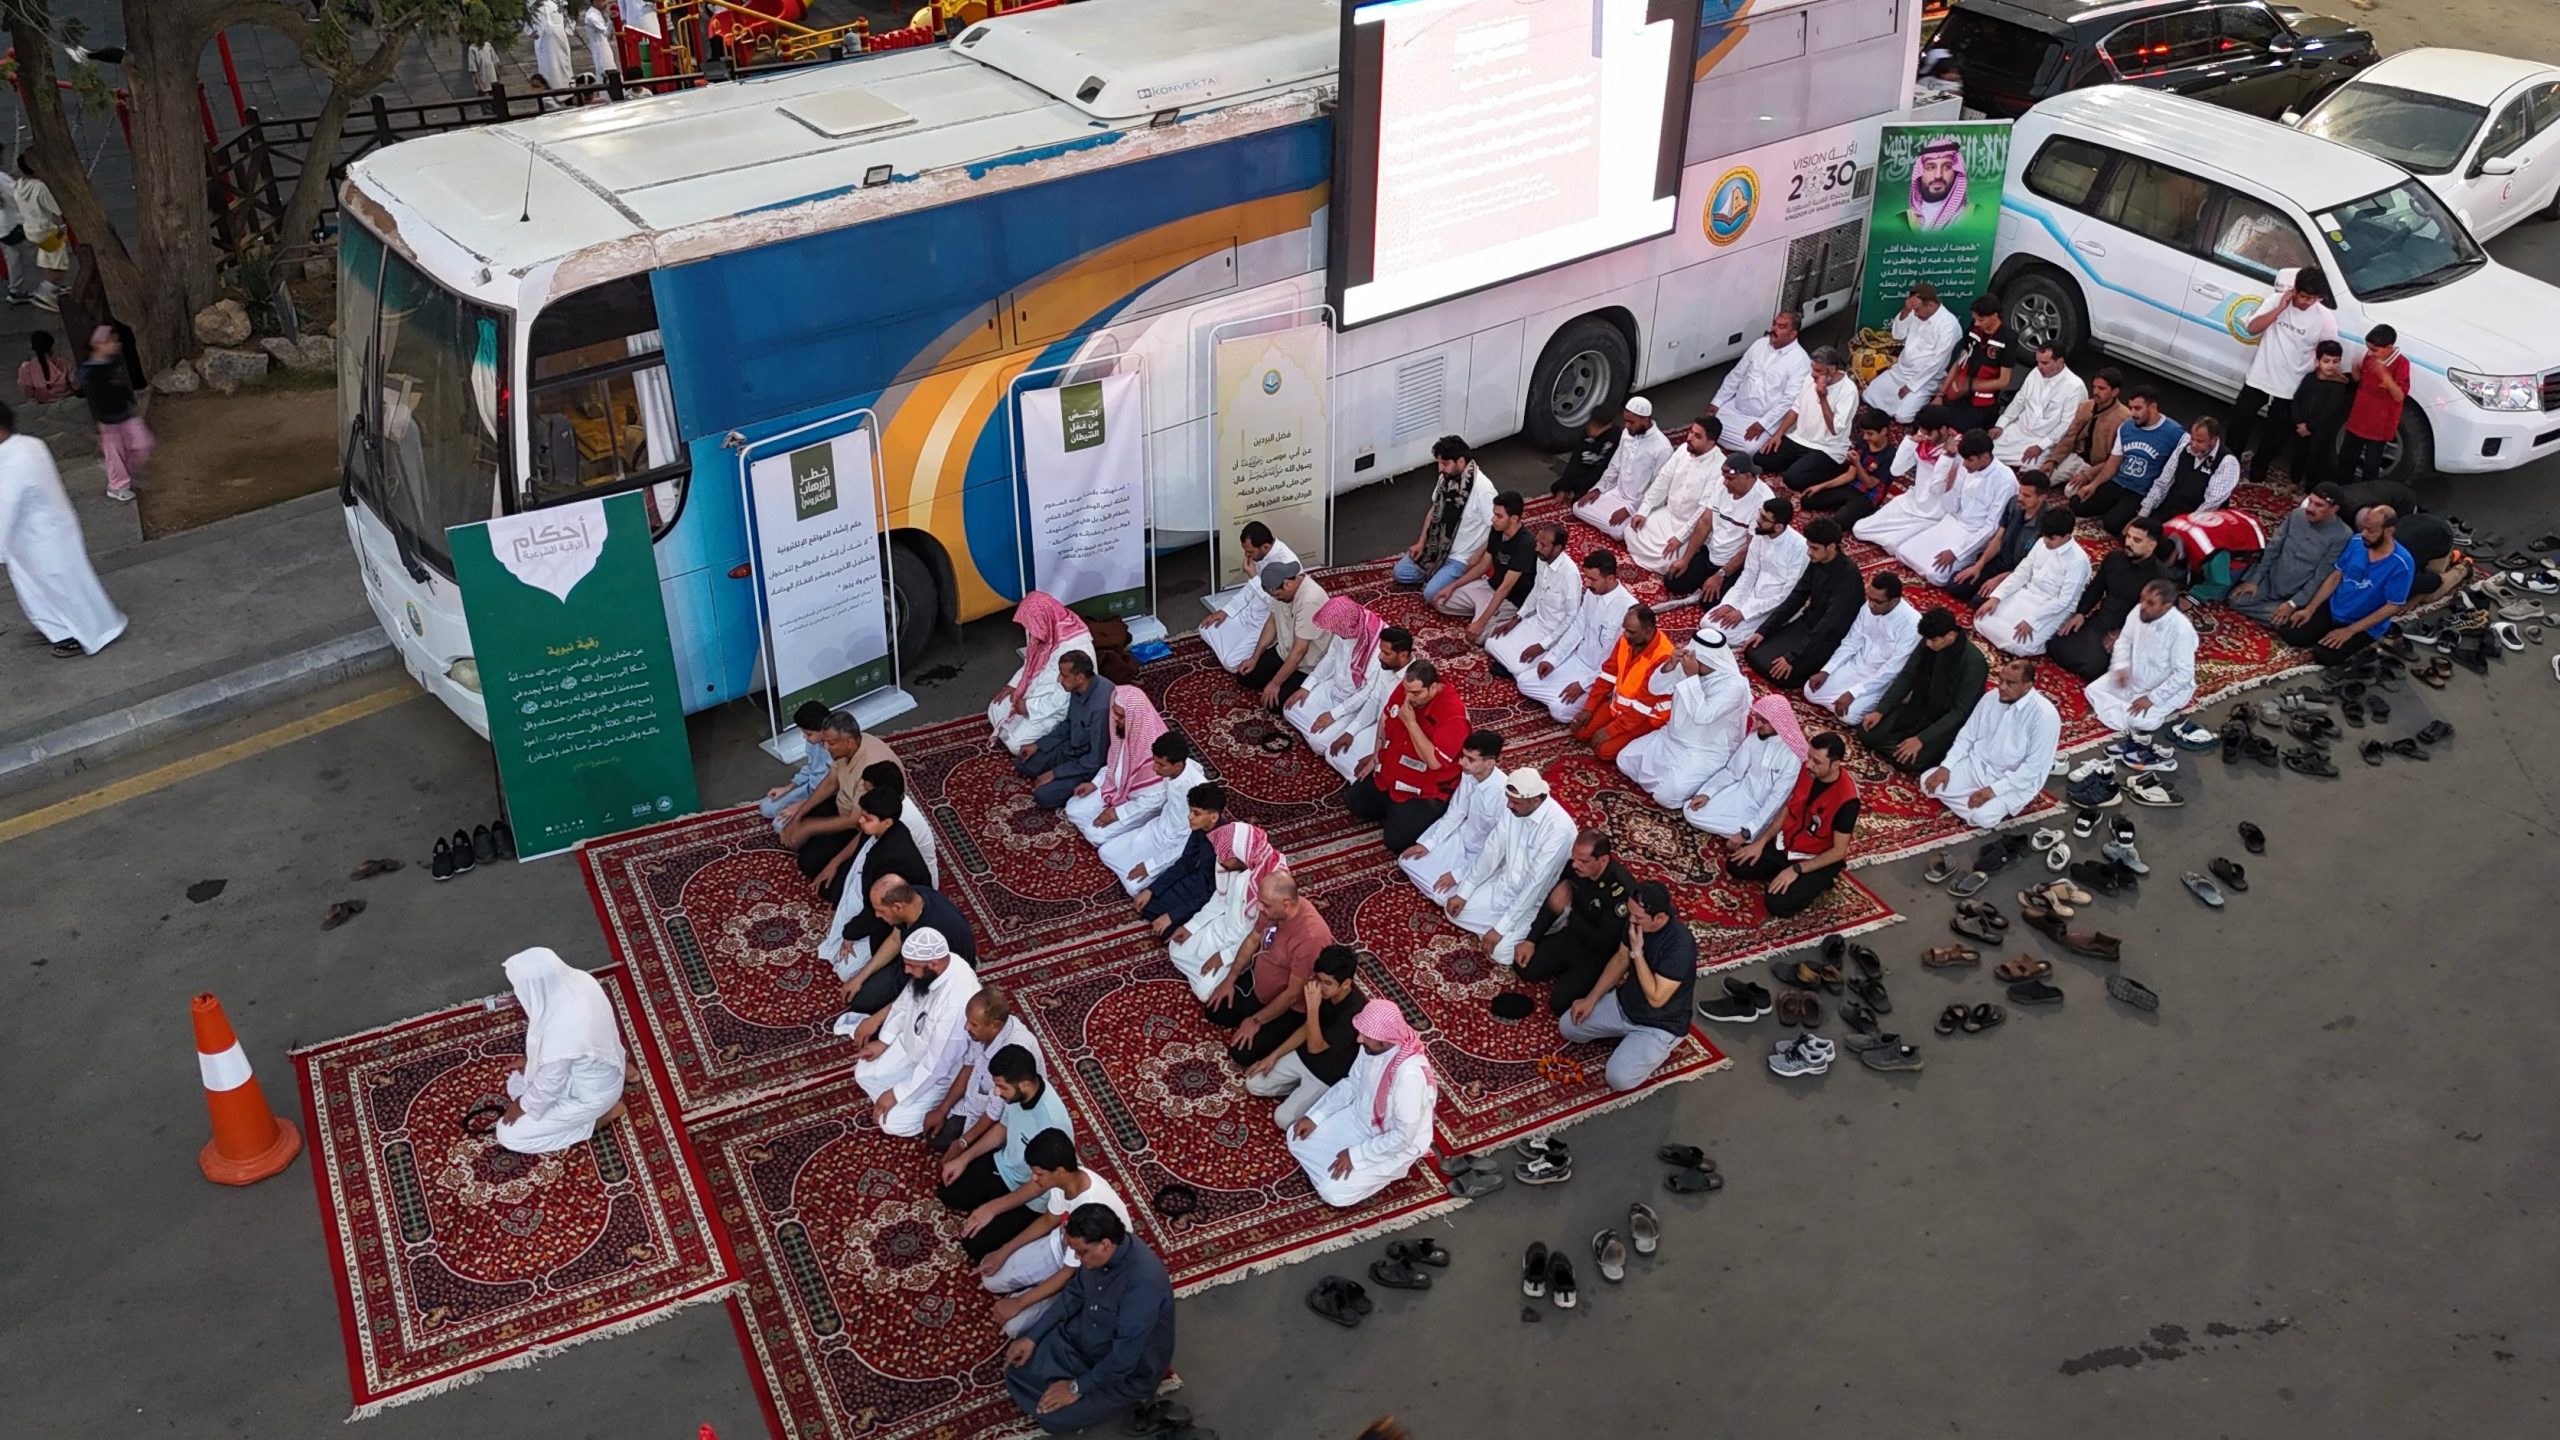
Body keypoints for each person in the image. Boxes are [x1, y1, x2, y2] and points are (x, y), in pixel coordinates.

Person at [1001, 1205, 1175, 1435]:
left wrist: (1075, 1388)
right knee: (1017, 1366)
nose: (1077, 1258)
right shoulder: (1098, 1257)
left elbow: (1123, 1359)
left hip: (1122, 1370)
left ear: (1105, 1245)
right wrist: (1033, 1337)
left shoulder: (1143, 1284)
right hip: (1083, 1338)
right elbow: (1074, 1294)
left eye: (1081, 1252)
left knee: (1053, 1419)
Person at [981, 1130, 1136, 1340]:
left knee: (1013, 1327)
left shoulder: (1090, 1208)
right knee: (990, 1279)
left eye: (1039, 1174)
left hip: (1085, 1269)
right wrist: (1004, 1251)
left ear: (1060, 1171)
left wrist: (1018, 1303)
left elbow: (1068, 1272)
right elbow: (1049, 1219)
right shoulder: (1065, 1182)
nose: (1034, 1179)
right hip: (1061, 1246)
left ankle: (1063, 1301)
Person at [0, 403, 126, 657]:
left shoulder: (12, 461)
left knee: (61, 589)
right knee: (42, 588)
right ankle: (60, 629)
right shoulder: (29, 444)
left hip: (40, 538)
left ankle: (88, 632)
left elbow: (5, 508)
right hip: (42, 532)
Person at [1287, 998, 1437, 1206]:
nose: (1359, 1039)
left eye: (1365, 1036)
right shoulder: (1372, 1048)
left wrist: (1356, 1155)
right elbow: (1352, 1084)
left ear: (1385, 1041)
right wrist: (1316, 1117)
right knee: (1295, 1136)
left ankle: (1366, 1177)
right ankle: (1331, 1171)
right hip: (1359, 1119)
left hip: (1391, 1142)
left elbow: (1403, 1136)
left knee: (1333, 1194)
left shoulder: (1408, 1077)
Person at [1555, 882, 1698, 1092]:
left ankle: (1664, 1044)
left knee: (1618, 1079)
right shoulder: (1635, 921)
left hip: (1660, 1023)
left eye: (1638, 917)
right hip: (1625, 1004)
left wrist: (1638, 952)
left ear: (1659, 918)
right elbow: (1621, 959)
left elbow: (1656, 998)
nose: (1631, 920)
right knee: (1568, 1026)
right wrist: (1591, 999)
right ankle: (1627, 1038)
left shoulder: (1680, 946)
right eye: (1631, 913)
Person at [939, 1044, 1074, 1263]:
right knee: (948, 1190)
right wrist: (964, 1158)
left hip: (1033, 1192)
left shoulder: (1051, 1122)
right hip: (1004, 1167)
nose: (996, 1092)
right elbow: (1002, 1129)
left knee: (975, 1246)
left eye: (1001, 1087)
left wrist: (993, 1208)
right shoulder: (1018, 1095)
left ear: (1024, 1084)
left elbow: (1042, 1183)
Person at [491, 947, 628, 1154]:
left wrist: (521, 1106)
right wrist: (530, 1060)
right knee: (516, 1082)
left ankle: (601, 1118)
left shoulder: (561, 1033)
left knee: (508, 1134)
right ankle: (627, 1073)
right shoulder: (581, 980)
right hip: (598, 1069)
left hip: (589, 1096)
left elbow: (549, 1085)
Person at [848, 927, 982, 1135]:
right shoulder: (932, 970)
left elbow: (937, 1066)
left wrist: (896, 1094)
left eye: (911, 966)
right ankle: (900, 1092)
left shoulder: (956, 1003)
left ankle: (946, 1103)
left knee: (891, 1123)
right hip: (913, 1045)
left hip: (941, 1072)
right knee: (864, 1073)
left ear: (934, 964)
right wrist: (884, 1042)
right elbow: (904, 1003)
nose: (906, 971)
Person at [1206, 870, 1336, 1065]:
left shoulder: (1310, 937)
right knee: (1215, 1011)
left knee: (1242, 1053)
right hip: (1260, 986)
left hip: (1289, 1006)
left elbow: (1294, 993)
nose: (1259, 907)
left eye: (1265, 904)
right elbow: (1253, 939)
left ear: (1286, 904)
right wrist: (1230, 979)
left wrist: (1256, 1020)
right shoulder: (1274, 911)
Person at [1726, 731, 1860, 918]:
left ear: (1835, 764)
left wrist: (1797, 869)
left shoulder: (1847, 800)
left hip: (1814, 856)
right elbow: (1788, 809)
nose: (1809, 764)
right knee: (1735, 864)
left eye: (1817, 762)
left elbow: (1838, 852)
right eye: (1809, 757)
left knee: (1777, 905)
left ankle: (1819, 879)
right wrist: (1761, 842)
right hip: (1788, 845)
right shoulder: (1807, 772)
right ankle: (1781, 870)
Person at [1446, 768, 1578, 958]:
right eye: (1508, 799)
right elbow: (1492, 850)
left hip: (1535, 902)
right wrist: (1465, 891)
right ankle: (1497, 929)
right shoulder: (1514, 810)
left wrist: (1501, 928)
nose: (1508, 805)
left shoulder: (1559, 829)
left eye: (1515, 802)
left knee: (1500, 952)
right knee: (1454, 910)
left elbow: (1537, 883)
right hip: (1505, 885)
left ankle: (1546, 929)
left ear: (1535, 801)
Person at [1342, 659, 1469, 852]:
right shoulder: (1407, 691)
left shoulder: (1453, 715)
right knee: (1355, 802)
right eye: (1406, 691)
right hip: (1390, 773)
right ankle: (1395, 812)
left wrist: (1411, 723)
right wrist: (1376, 756)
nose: (1409, 698)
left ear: (1433, 687)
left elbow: (1434, 761)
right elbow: (1386, 718)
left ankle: (1430, 816)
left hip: (1423, 790)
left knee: (1396, 842)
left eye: (1416, 693)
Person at [1922, 658, 2061, 828]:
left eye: (2010, 683)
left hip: (2011, 782)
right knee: (1927, 782)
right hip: (1976, 766)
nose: (2001, 687)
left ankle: (1972, 804)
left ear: (2028, 686)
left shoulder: (2044, 716)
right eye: (2000, 679)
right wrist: (1946, 767)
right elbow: (1967, 735)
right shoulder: (1991, 697)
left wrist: (1993, 790)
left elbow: (2032, 768)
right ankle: (1968, 804)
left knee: (1982, 818)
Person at [1616, 633, 1750, 808]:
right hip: (1670, 738)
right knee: (1624, 760)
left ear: (1710, 661)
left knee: (1665, 797)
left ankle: (1705, 784)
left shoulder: (1734, 686)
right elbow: (1655, 688)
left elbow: (1702, 715)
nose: (1689, 660)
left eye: (1696, 659)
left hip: (1704, 751)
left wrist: (1691, 678)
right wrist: (1671, 665)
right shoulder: (1690, 667)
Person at [2228, 268, 2338, 480]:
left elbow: (2328, 351)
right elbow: (2252, 329)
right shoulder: (2276, 301)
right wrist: (2280, 309)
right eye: (2304, 296)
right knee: (2241, 419)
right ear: (2294, 289)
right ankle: (2231, 461)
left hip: (2292, 385)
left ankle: (2260, 467)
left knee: (2276, 433)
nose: (2307, 302)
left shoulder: (2325, 318)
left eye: (2313, 298)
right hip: (2260, 375)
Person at [1868, 429, 2014, 585]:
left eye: (1970, 460)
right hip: (1953, 521)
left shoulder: (2005, 480)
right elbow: (1951, 506)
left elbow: (1991, 527)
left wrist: (1956, 552)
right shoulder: (1967, 466)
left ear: (1984, 457)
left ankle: (1968, 559)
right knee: (1903, 551)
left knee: (1935, 574)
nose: (1965, 464)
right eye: (1964, 459)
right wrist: (1949, 485)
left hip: (1975, 534)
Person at [1241, 945, 1366, 1127]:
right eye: (1319, 980)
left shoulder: (1355, 1014)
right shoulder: (1326, 994)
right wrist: (1273, 1056)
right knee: (1254, 1083)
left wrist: (1313, 1006)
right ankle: (1297, 1090)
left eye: (1328, 983)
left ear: (1346, 984)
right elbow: (1307, 1028)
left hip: (1326, 1073)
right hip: (1305, 1056)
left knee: (1283, 1119)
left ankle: (1317, 1097)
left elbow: (1316, 1048)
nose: (1320, 987)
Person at [784, 711, 906, 894]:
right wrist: (798, 816)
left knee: (810, 863)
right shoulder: (845, 749)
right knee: (793, 829)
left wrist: (809, 827)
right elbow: (831, 783)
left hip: (860, 823)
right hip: (843, 804)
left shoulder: (870, 770)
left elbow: (855, 820)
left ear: (849, 742)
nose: (826, 747)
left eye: (831, 743)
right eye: (825, 741)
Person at [1512, 831, 1636, 1012]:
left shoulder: (1620, 890)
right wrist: (1531, 940)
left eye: (1583, 861)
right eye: (1574, 858)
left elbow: (1605, 942)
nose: (1576, 865)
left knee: (1560, 1004)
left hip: (1597, 953)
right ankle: (1565, 971)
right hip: (1573, 935)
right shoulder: (1574, 868)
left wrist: (1570, 915)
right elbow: (1554, 904)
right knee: (1524, 966)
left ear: (1602, 860)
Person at [1166, 821, 1286, 1001]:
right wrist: (1192, 926)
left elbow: (1260, 935)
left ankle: (1225, 976)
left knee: (1204, 991)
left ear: (1241, 854)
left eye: (1225, 857)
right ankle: (1201, 972)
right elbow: (1220, 899)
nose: (1220, 860)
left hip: (1243, 943)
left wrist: (1224, 956)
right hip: (1222, 926)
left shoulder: (1272, 882)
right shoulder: (1231, 862)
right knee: (1176, 948)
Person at [2276, 504, 2412, 661]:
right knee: (2291, 634)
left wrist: (2350, 631)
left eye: (2370, 531)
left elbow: (2392, 606)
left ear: (2388, 531)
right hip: (2335, 609)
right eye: (2363, 528)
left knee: (2324, 656)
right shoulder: (2357, 542)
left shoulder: (2402, 564)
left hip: (2362, 622)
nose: (2364, 534)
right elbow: (2336, 576)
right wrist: (2311, 608)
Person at [1857, 607, 1986, 772]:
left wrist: (1921, 739)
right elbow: (1907, 676)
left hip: (1943, 722)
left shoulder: (1974, 664)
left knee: (1908, 761)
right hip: (1918, 708)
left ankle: (1908, 747)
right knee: (1867, 734)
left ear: (1950, 636)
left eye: (1933, 640)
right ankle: (1897, 744)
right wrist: (1881, 710)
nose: (1928, 644)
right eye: (1927, 639)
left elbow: (1959, 712)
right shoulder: (1928, 642)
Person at [1741, 517, 1861, 688]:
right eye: (1808, 546)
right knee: (1753, 651)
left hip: (1829, 637)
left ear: (1831, 547)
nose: (1809, 552)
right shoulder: (1817, 561)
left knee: (1781, 675)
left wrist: (1793, 657)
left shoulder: (1848, 576)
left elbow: (1829, 623)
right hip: (1807, 624)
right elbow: (1796, 597)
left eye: (1814, 548)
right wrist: (1764, 630)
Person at [1519, 551, 1637, 724]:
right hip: (1577, 661)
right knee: (1524, 681)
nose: (1587, 583)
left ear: (1610, 579)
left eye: (1593, 579)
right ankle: (1557, 694)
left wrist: (1584, 685)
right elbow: (1577, 629)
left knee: (1559, 710)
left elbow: (1619, 661)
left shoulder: (1629, 610)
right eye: (1586, 577)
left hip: (1599, 676)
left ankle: (1598, 701)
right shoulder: (1592, 593)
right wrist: (1553, 659)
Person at [2046, 517, 2170, 680]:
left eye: (2137, 540)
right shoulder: (2115, 558)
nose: (2129, 543)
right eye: (2128, 536)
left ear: (2151, 545)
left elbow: (2155, 622)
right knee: (2056, 645)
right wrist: (2081, 613)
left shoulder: (2160, 578)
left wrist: (2123, 635)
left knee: (2092, 668)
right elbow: (2096, 587)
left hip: (2128, 632)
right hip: (2102, 619)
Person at [2086, 580, 2199, 754]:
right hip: (2135, 674)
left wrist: (2152, 698)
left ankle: (2146, 711)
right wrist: (2121, 668)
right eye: (2142, 599)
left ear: (2166, 606)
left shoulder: (2181, 631)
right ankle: (2121, 706)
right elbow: (2124, 641)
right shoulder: (2138, 611)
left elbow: (2183, 674)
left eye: (2151, 603)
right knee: (2092, 690)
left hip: (2162, 687)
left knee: (2139, 721)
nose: (2143, 606)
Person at [1396, 729, 1508, 901]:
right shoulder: (1469, 775)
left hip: (1482, 854)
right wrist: (1429, 844)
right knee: (1407, 861)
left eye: (1470, 759)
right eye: (1463, 756)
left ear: (1490, 763)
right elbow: (1455, 812)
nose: (1462, 762)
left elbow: (1496, 848)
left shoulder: (1504, 795)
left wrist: (1457, 875)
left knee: (1444, 896)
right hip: (1460, 839)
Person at [928, 985, 1039, 1157]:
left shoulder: (1011, 1054)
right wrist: (942, 1109)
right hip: (976, 1100)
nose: (966, 1027)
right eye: (968, 1020)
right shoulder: (983, 1032)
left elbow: (997, 1110)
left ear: (995, 1025)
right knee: (934, 1137)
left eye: (973, 1024)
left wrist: (963, 1142)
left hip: (1001, 1115)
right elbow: (969, 1066)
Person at [827, 856, 949, 1012]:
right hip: (915, 965)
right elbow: (895, 940)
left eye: (880, 911)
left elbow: (929, 987)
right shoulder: (913, 899)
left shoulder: (935, 932)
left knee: (865, 1003)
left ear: (897, 907)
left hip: (934, 979)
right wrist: (860, 978)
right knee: (861, 991)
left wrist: (876, 1019)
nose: (877, 916)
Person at [2065, 385, 2184, 538]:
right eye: (2131, 408)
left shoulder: (2176, 434)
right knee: (2077, 504)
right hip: (2118, 482)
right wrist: (2093, 485)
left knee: (2112, 524)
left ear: (2153, 407)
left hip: (2139, 492)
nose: (2132, 413)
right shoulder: (2127, 426)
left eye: (2137, 408)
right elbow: (2114, 461)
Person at [1803, 572, 1922, 722]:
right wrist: (1826, 670)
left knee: (1848, 715)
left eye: (1877, 602)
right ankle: (1837, 699)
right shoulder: (1868, 607)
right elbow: (1850, 643)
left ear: (1894, 601)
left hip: (1881, 679)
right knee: (1810, 691)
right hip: (1856, 666)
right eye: (1869, 598)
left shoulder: (1912, 624)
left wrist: (1853, 693)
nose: (1871, 604)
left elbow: (1892, 669)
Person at [1670, 467, 1787, 619]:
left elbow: (1750, 547)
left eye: (1731, 479)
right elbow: (1705, 522)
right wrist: (1685, 559)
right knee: (1673, 581)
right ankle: (1703, 580)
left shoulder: (1763, 501)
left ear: (1747, 476)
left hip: (1734, 562)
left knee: (1709, 603)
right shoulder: (1721, 483)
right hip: (1712, 551)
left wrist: (1720, 575)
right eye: (1724, 478)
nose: (1725, 483)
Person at [1971, 506, 2090, 656]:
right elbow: (2022, 573)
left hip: (2053, 607)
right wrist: (1997, 597)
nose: (2046, 541)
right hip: (2028, 593)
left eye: (2052, 539)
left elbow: (2064, 600)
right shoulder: (2041, 543)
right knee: (1981, 620)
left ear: (2067, 537)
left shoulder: (2078, 561)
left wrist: (2032, 621)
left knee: (2018, 645)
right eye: (2045, 536)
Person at [1302, 623, 1411, 784]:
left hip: (1396, 738)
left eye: (1386, 653)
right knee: (1333, 754)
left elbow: (1408, 729)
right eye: (1380, 651)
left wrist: (1378, 755)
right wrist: (1351, 732)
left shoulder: (1414, 682)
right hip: (1378, 727)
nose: (1380, 657)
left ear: (1403, 655)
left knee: (1367, 772)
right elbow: (1374, 700)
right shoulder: (1386, 667)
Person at [1064, 691, 1176, 846]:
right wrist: (1096, 783)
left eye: (1121, 715)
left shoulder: (1156, 750)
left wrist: (1117, 813)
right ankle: (1109, 818)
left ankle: (1140, 825)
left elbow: (1153, 800)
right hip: (1117, 789)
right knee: (1073, 809)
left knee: (1094, 834)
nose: (1115, 719)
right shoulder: (1125, 730)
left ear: (1135, 716)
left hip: (1141, 804)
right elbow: (1115, 764)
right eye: (1114, 712)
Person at [1683, 694, 1805, 839]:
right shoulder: (1754, 739)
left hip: (1764, 809)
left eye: (1764, 721)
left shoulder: (1792, 756)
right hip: (1741, 794)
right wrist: (1707, 793)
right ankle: (1743, 835)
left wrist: (1749, 830)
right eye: (1757, 718)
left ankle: (1749, 834)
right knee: (1691, 811)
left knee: (1755, 832)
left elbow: (1777, 799)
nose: (1757, 725)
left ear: (1779, 723)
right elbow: (1732, 772)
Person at [1098, 734, 1207, 894]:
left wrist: (1151, 866)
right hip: (1158, 829)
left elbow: (1191, 842)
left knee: (1133, 886)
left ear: (1177, 766)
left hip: (1175, 844)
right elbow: (1160, 800)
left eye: (1160, 764)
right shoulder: (1175, 770)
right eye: (1155, 762)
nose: (1154, 768)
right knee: (1105, 851)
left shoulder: (1199, 793)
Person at [2229, 483, 2351, 626]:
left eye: (2319, 505)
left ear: (2334, 509)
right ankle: (2274, 617)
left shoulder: (2342, 535)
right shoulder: (2297, 515)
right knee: (2235, 599)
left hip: (2296, 592)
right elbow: (2273, 548)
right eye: (2310, 501)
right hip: (2271, 580)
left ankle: (2280, 616)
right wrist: (2254, 580)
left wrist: (2293, 603)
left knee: (2293, 622)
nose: (2311, 508)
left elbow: (2321, 576)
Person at [1569, 603, 1676, 762]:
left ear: (1647, 631)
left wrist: (1610, 731)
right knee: (1580, 732)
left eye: (1631, 632)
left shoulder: (1663, 657)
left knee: (1604, 751)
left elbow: (1642, 707)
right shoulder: (1627, 640)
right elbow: (1608, 675)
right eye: (1624, 629)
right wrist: (1589, 708)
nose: (1625, 635)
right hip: (1618, 707)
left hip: (1645, 718)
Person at [1393, 435, 1494, 605]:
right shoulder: (1446, 479)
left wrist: (1477, 558)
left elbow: (1497, 528)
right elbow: (1434, 510)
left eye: (1445, 464)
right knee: (1400, 573)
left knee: (1431, 595)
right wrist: (1421, 543)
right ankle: (1438, 575)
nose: (1440, 469)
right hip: (1435, 549)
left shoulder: (1484, 490)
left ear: (1461, 461)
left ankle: (1459, 579)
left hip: (1460, 558)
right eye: (1439, 463)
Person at [1689, 494, 1804, 642]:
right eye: (1760, 514)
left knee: (1723, 634)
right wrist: (1730, 604)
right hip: (1752, 594)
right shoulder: (1760, 534)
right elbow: (1749, 574)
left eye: (1764, 519)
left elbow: (1786, 594)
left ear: (1779, 527)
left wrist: (1744, 613)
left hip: (1774, 604)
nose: (1758, 520)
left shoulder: (1800, 547)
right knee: (1708, 622)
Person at [1284, 600, 1388, 761]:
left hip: (1354, 704)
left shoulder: (1379, 646)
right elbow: (1330, 657)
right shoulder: (1343, 628)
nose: (1334, 633)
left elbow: (1368, 692)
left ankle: (1323, 731)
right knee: (1289, 709)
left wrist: (1334, 714)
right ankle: (1316, 728)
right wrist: (1307, 686)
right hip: (1334, 686)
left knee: (1318, 743)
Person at [990, 591, 1094, 752]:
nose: (1031, 631)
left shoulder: (1072, 648)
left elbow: (1064, 697)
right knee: (996, 707)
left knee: (1015, 744)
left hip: (1059, 706)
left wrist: (1030, 707)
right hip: (1037, 691)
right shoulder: (1050, 628)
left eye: (1032, 626)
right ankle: (1016, 728)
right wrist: (1014, 685)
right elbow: (1031, 663)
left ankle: (1054, 738)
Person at [1758, 346, 1866, 496]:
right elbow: (1796, 409)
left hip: (1826, 448)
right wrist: (1778, 434)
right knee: (1761, 459)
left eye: (1818, 371)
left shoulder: (1848, 390)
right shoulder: (1810, 379)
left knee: (1792, 479)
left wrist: (1822, 398)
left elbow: (1835, 428)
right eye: (1812, 369)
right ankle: (1802, 464)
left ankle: (1832, 468)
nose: (1813, 374)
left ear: (1832, 370)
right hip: (1799, 439)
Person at [1626, 417, 1727, 575]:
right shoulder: (1683, 450)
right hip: (1669, 514)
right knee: (1630, 531)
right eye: (1691, 432)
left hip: (1690, 526)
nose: (1689, 438)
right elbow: (1662, 481)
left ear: (1711, 442)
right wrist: (1643, 511)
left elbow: (1703, 511)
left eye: (1697, 436)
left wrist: (1680, 537)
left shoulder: (1719, 467)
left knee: (1667, 561)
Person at [1015, 652, 1113, 809]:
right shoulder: (1078, 688)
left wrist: (1056, 773)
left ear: (1080, 677)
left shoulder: (1101, 708)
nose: (1060, 680)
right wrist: (1039, 745)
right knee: (1023, 762)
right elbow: (1069, 724)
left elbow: (1096, 759)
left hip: (1090, 764)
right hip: (1072, 747)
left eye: (1065, 676)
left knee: (1043, 795)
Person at [1947, 469, 2058, 605]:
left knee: (1979, 602)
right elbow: (1998, 538)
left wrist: (2000, 579)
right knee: (1956, 586)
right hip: (2000, 561)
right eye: (2020, 493)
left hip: (2021, 572)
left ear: (2042, 497)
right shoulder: (2014, 504)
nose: (2020, 498)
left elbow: (2035, 565)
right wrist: (1979, 565)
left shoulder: (2049, 520)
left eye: (2027, 496)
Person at [1484, 523, 1579, 679]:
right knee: (1491, 643)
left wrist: (1542, 645)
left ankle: (1515, 664)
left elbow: (1571, 617)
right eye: (1537, 542)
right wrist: (1517, 618)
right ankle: (1509, 662)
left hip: (1553, 633)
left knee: (1517, 668)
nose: (1537, 548)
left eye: (1543, 545)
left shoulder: (1570, 574)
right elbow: (1536, 591)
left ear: (1557, 548)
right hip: (1535, 622)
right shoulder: (1541, 560)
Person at [1569, 397, 1673, 540]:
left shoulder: (1662, 448)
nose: (1627, 425)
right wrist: (1598, 489)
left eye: (1631, 422)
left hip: (1640, 503)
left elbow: (1657, 488)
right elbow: (1614, 467)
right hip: (1617, 493)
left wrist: (1629, 509)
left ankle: (1626, 524)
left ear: (1645, 420)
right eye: (1625, 421)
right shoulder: (1627, 434)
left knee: (1617, 531)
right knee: (1578, 507)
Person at [1709, 309, 1812, 451]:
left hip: (1763, 419)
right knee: (1707, 426)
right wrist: (1717, 401)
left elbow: (1789, 401)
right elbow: (1737, 375)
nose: (1774, 329)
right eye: (1774, 324)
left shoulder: (1800, 361)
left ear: (1793, 334)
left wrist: (1762, 424)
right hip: (1734, 409)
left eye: (1781, 327)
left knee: (1751, 447)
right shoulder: (1760, 344)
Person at [1199, 521, 1295, 672]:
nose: (1246, 556)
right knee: (1205, 628)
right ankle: (1233, 644)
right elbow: (1250, 589)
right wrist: (1225, 611)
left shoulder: (1287, 563)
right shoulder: (1261, 556)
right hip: (1251, 611)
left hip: (1268, 621)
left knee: (1231, 663)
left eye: (1250, 552)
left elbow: (1279, 603)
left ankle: (1263, 646)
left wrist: (1253, 577)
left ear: (1265, 547)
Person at [1133, 783, 1228, 935]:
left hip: (1214, 894)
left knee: (1167, 929)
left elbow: (1216, 892)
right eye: (1190, 811)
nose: (1190, 817)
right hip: (1198, 880)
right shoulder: (1201, 828)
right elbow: (1185, 863)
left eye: (1196, 813)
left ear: (1214, 817)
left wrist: (1172, 916)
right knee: (1148, 905)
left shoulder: (1226, 845)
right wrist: (1152, 889)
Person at [1439, 490, 1537, 632]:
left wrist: (1481, 623)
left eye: (1499, 516)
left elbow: (1506, 587)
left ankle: (1496, 617)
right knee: (1441, 601)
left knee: (1479, 635)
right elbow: (1484, 565)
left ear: (1514, 518)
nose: (1493, 519)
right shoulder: (1497, 530)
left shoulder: (1526, 544)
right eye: (1494, 514)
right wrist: (1453, 586)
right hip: (1491, 587)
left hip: (1510, 598)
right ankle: (1482, 610)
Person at [1865, 282, 1963, 423]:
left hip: (1925, 379)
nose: (1915, 314)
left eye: (1917, 310)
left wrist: (1911, 385)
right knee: (1869, 395)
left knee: (1903, 417)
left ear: (1931, 305)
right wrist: (1906, 311)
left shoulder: (1949, 325)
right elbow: (1898, 335)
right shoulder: (1914, 311)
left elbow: (1938, 362)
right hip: (1901, 371)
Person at [1239, 560, 1332, 708]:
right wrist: (1254, 657)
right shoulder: (1280, 590)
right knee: (1245, 677)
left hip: (1307, 663)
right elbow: (1272, 622)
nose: (1276, 599)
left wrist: (1275, 683)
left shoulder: (1310, 600)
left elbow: (1300, 650)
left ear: (1287, 584)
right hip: (1284, 651)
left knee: (1275, 705)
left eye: (1277, 595)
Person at [1786, 402, 1895, 527]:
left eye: (1870, 434)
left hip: (1868, 496)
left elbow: (1870, 484)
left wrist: (1857, 464)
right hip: (1851, 486)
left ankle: (1848, 510)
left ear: (1883, 431)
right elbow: (1849, 475)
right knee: (1808, 500)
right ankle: (1842, 504)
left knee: (1839, 522)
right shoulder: (1863, 444)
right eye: (1864, 433)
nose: (1865, 437)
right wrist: (1821, 486)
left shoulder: (1889, 456)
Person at [77, 327, 149, 502]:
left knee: (142, 444)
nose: (116, 344)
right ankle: (117, 486)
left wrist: (131, 403)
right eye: (111, 341)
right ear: (99, 345)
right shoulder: (89, 372)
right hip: (108, 421)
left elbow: (121, 387)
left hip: (125, 414)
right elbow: (95, 397)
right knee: (115, 453)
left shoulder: (113, 363)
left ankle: (126, 470)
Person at [2270, 339, 2353, 489]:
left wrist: (2309, 427)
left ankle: (2310, 488)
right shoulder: (2310, 378)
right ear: (2317, 361)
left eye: (2335, 362)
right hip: (2302, 426)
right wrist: (2299, 422)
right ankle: (2294, 481)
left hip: (2321, 431)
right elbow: (2297, 399)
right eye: (2326, 361)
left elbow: (2329, 411)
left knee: (2316, 459)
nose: (2331, 365)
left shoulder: (2339, 385)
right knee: (2299, 454)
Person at [1989, 344, 2086, 468]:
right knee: (1988, 449)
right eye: (2038, 362)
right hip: (2018, 430)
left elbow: (2066, 424)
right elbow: (2019, 402)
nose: (2039, 367)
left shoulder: (2075, 387)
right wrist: (2000, 425)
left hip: (2044, 440)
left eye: (2044, 363)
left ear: (2060, 362)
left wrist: (2041, 446)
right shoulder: (2035, 373)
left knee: (2031, 466)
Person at [2138, 414, 2240, 530]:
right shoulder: (2184, 446)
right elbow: (2163, 483)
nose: (2193, 444)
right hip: (2170, 508)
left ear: (2214, 440)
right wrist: (2143, 514)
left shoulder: (2227, 461)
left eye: (2200, 441)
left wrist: (2183, 525)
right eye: (2192, 438)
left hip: (2198, 520)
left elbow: (2210, 504)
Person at [2340, 326, 2410, 486]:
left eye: (2375, 350)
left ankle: (2365, 495)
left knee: (2371, 466)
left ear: (2389, 348)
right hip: (2358, 417)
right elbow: (2360, 381)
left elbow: (2399, 396)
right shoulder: (2368, 356)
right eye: (2369, 349)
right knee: (2346, 459)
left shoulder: (2401, 364)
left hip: (2380, 425)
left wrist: (2385, 376)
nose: (2370, 353)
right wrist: (2355, 369)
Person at [2044, 367, 2128, 491]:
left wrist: (2088, 474)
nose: (2096, 392)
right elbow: (2070, 436)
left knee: (2071, 492)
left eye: (2101, 388)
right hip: (2076, 457)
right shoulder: (2086, 406)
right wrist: (2053, 460)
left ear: (2115, 391)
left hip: (2097, 467)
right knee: (2043, 479)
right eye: (2094, 387)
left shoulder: (2124, 418)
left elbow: (2115, 457)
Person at [1938, 294, 2013, 431]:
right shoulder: (1974, 328)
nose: (1977, 323)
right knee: (1932, 419)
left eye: (1981, 320)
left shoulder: (2007, 338)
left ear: (1994, 316)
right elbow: (1960, 360)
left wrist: (1970, 385)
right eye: (1975, 319)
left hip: (1982, 404)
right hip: (1957, 395)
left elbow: (2004, 381)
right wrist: (1941, 394)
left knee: (1954, 430)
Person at [760, 701, 839, 832]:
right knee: (766, 808)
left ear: (824, 730)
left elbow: (833, 787)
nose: (804, 737)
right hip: (810, 788)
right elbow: (810, 768)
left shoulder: (837, 750)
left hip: (826, 797)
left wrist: (802, 805)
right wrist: (787, 788)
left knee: (780, 826)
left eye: (808, 734)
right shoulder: (813, 742)